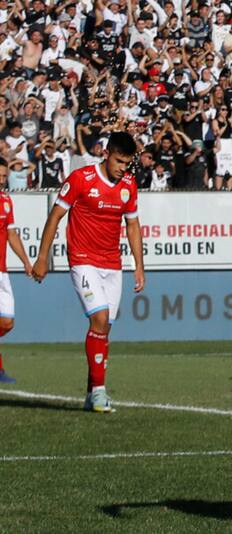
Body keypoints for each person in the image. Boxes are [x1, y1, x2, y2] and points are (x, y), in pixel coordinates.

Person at [32, 132, 145, 413]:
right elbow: (56, 216)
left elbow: (132, 225)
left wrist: (139, 266)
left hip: (112, 264)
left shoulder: (129, 184)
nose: (122, 168)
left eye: (127, 163)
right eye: (119, 161)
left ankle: (91, 392)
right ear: (106, 154)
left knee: (104, 329)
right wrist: (42, 257)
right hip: (83, 260)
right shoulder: (81, 179)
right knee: (100, 318)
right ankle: (99, 393)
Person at [0, 159, 33, 383]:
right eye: (0, 176)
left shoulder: (5, 200)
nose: (2, 180)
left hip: (2, 272)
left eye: (4, 176)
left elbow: (12, 234)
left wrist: (26, 262)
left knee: (7, 322)